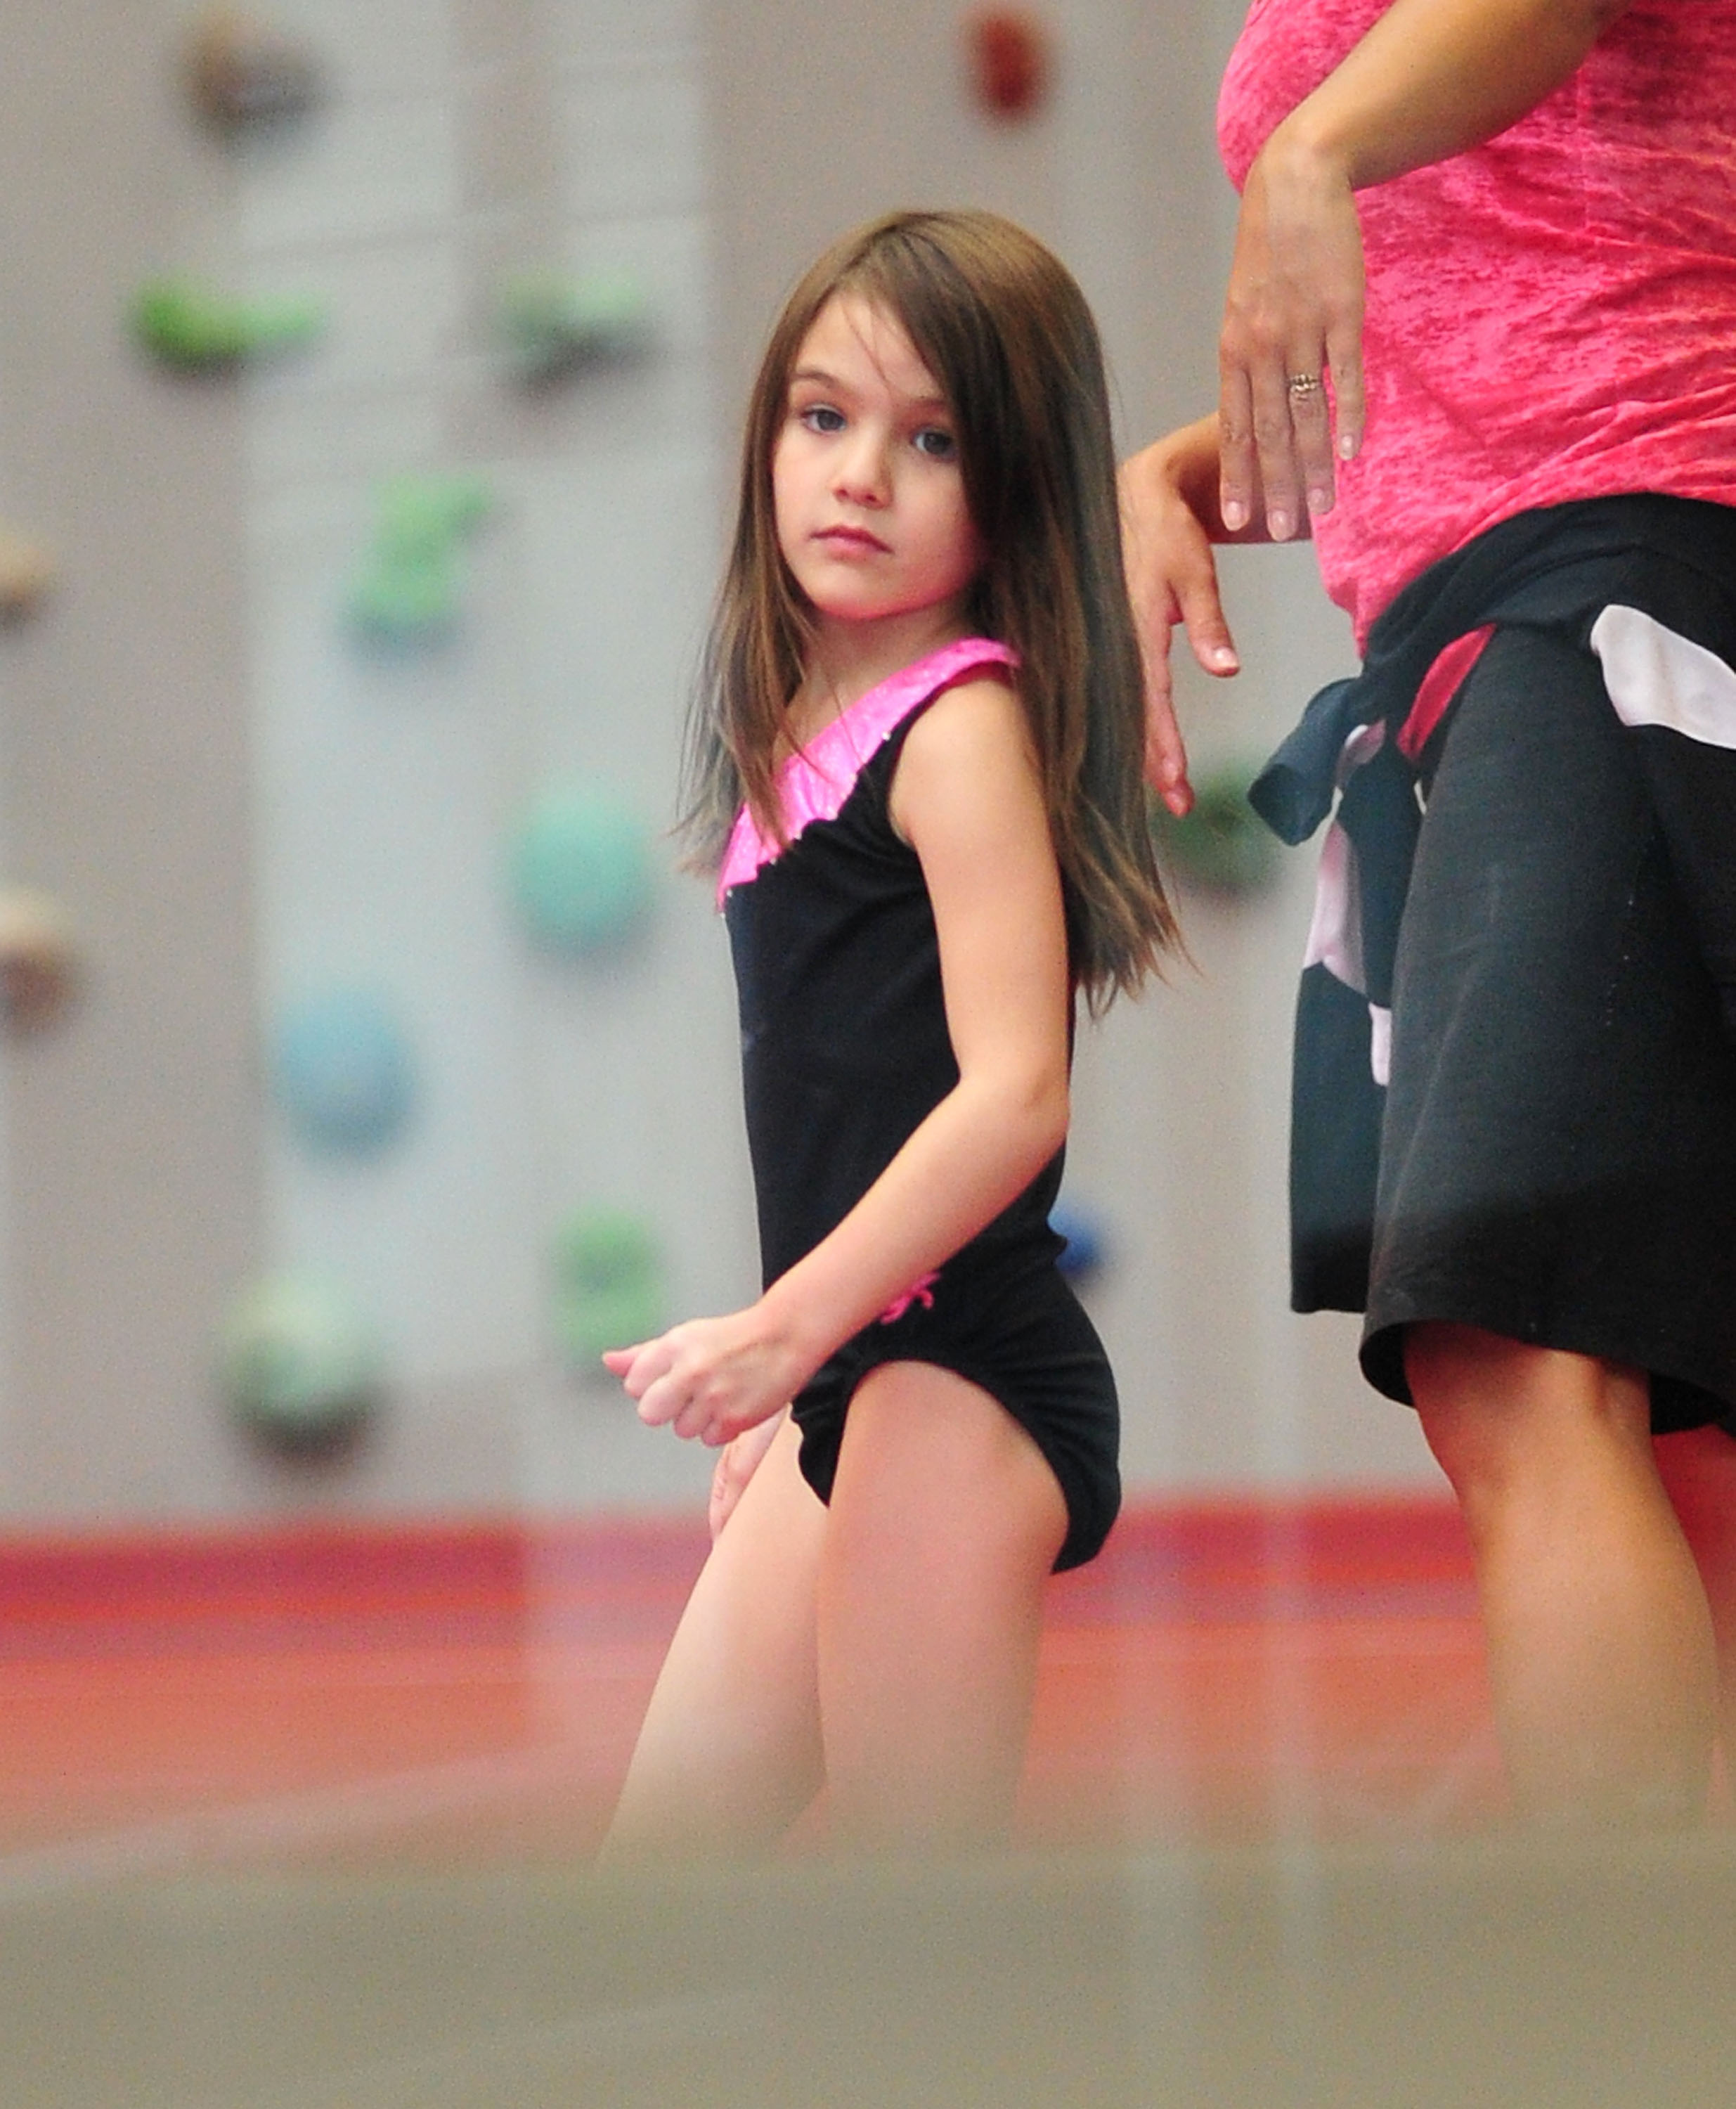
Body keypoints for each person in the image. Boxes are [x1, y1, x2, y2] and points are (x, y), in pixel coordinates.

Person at [1120, 0, 1736, 1828]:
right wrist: (1187, 464)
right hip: (1503, 609)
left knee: (1520, 1342)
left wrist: (1309, 151)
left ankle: (1616, 2029)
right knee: (1642, 1391)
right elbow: (1506, 281)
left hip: (1616, 576)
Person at [602, 210, 1176, 1855]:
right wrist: (801, 1381)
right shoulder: (801, 726)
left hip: (957, 1376)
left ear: (1009, 489)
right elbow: (845, 1102)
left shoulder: (959, 727)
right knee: (647, 1893)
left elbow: (1009, 1098)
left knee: (916, 1928)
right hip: (853, 1375)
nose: (858, 474)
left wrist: (787, 1330)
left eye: (930, 440)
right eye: (822, 416)